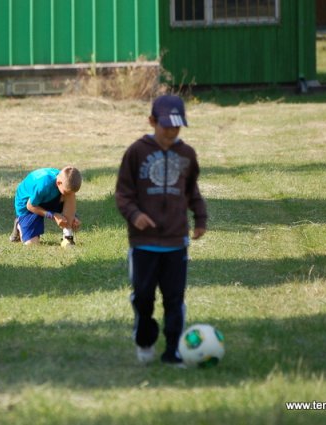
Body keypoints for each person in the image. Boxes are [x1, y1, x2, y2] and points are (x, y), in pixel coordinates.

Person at [115, 94, 207, 366]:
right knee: (143, 297)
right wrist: (135, 215)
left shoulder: (187, 154)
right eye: (166, 126)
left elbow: (192, 192)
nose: (171, 132)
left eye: (177, 127)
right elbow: (123, 194)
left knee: (174, 299)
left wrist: (200, 219)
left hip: (176, 242)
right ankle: (145, 339)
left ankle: (173, 350)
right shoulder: (136, 152)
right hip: (143, 243)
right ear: (152, 121)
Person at [10, 166, 82, 247]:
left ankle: (68, 238)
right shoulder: (44, 185)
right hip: (27, 205)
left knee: (70, 194)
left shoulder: (65, 180)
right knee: (31, 244)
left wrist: (72, 216)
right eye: (66, 192)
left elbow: (68, 195)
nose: (68, 195)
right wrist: (53, 215)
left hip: (46, 198)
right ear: (59, 183)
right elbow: (30, 206)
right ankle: (19, 225)